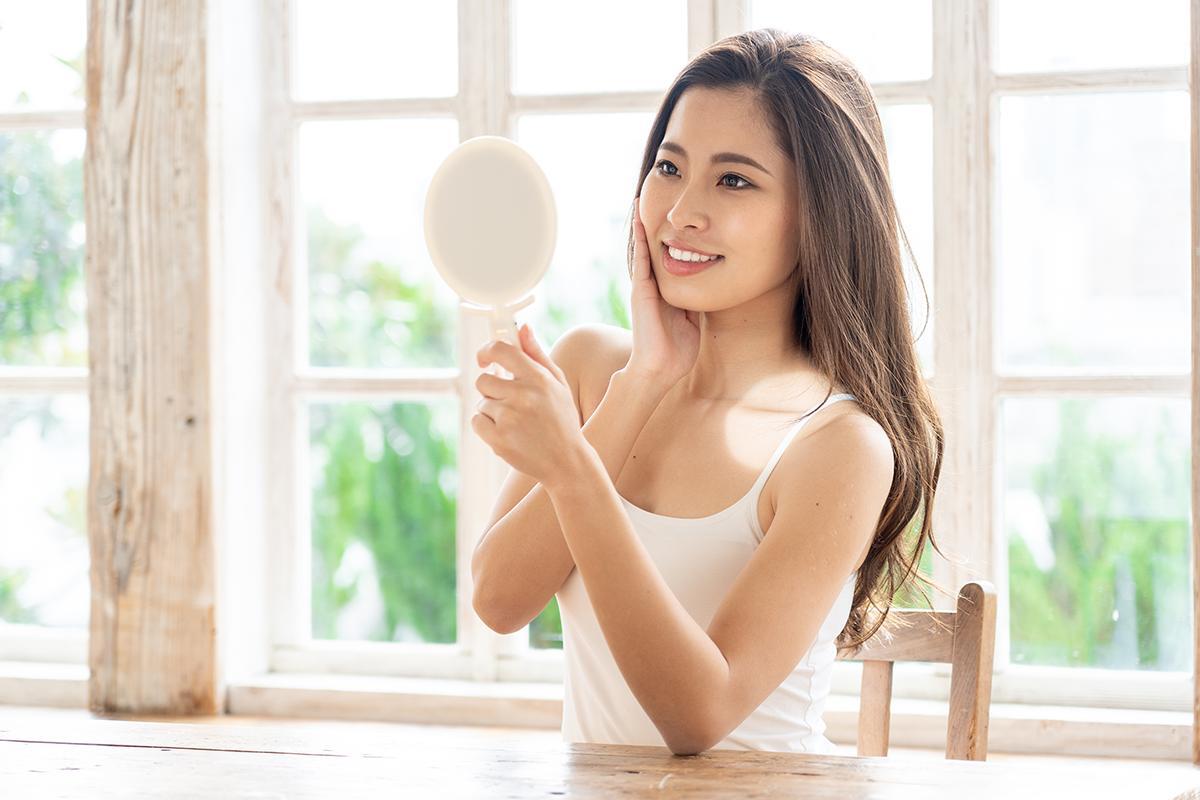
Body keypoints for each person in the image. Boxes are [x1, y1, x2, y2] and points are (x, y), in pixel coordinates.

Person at [470, 28, 951, 757]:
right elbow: (498, 602)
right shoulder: (593, 368)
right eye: (669, 167)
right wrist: (640, 387)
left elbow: (700, 715)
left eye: (734, 180)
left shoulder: (839, 447)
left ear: (819, 215)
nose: (678, 212)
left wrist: (572, 468)